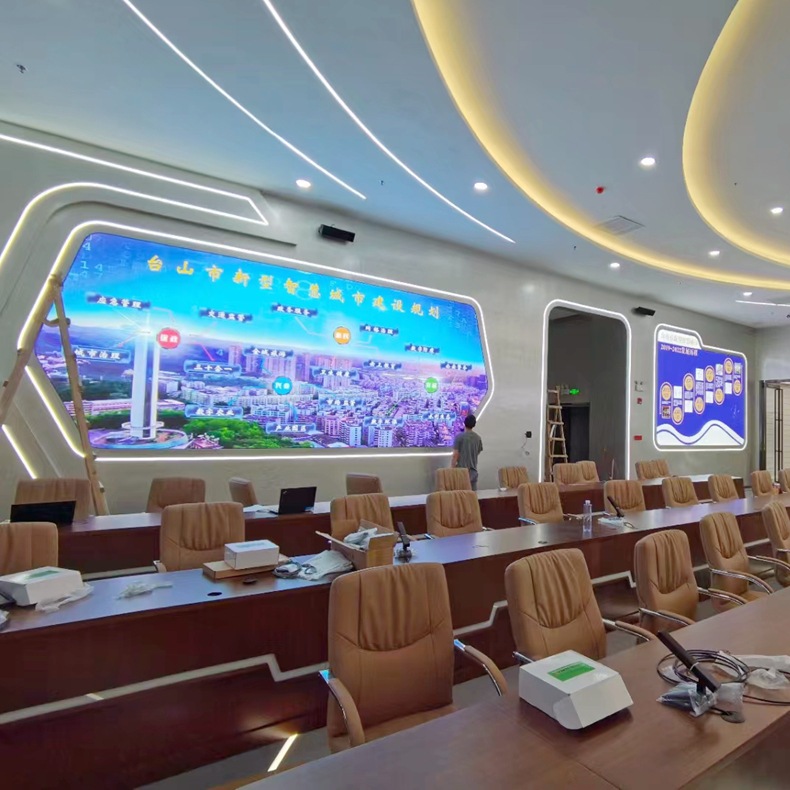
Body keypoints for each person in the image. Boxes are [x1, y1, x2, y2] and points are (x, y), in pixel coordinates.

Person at [452, 414, 483, 491]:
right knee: (472, 495)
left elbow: (455, 455)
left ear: (464, 423)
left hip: (461, 472)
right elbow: (478, 452)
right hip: (473, 471)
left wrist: (452, 470)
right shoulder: (478, 438)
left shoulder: (459, 437)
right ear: (474, 425)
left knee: (460, 495)